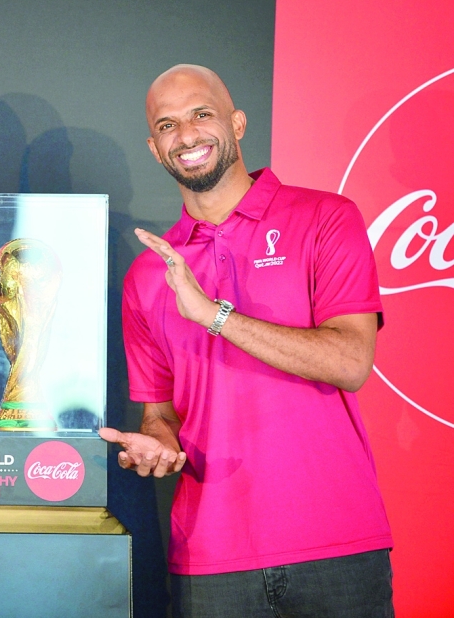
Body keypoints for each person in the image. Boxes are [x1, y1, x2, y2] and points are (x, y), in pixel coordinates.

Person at [99, 65, 394, 617]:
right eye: (167, 125)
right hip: (211, 557)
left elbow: (352, 361)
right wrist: (157, 444)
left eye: (201, 114)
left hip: (337, 543)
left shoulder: (326, 218)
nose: (186, 135)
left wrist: (215, 316)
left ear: (236, 122)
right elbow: (160, 412)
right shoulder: (146, 274)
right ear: (153, 146)